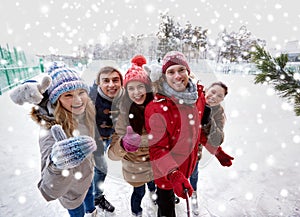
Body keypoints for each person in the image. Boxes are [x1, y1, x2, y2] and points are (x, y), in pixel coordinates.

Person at [12, 62, 101, 217]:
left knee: (89, 200)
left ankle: (92, 211)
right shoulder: (50, 132)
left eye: (81, 92)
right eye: (68, 95)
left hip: (87, 177)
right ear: (56, 100)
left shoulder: (84, 114)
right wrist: (57, 164)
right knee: (77, 212)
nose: (78, 100)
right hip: (71, 190)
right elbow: (48, 189)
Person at [144, 51, 207, 217]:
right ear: (164, 76)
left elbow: (199, 128)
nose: (177, 76)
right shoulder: (157, 107)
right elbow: (157, 148)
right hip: (166, 174)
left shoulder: (197, 97)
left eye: (181, 70)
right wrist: (173, 173)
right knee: (166, 209)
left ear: (188, 71)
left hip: (189, 164)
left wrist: (217, 149)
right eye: (171, 72)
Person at [108, 55, 156, 217]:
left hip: (156, 163)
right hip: (136, 166)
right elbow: (112, 153)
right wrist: (123, 144)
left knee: (153, 184)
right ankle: (136, 212)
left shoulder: (157, 107)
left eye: (140, 87)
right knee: (138, 192)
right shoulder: (123, 112)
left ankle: (154, 193)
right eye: (131, 88)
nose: (136, 93)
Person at [189, 81, 234, 215]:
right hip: (179, 147)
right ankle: (171, 194)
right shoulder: (193, 98)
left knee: (193, 174)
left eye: (220, 96)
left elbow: (217, 139)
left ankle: (193, 195)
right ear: (206, 90)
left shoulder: (218, 113)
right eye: (213, 92)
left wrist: (208, 120)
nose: (214, 97)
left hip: (195, 151)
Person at [88, 66, 124, 212]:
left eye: (115, 80)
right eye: (106, 81)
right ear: (99, 83)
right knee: (100, 169)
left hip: (112, 136)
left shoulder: (124, 96)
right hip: (95, 139)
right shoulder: (91, 99)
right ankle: (95, 197)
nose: (111, 85)